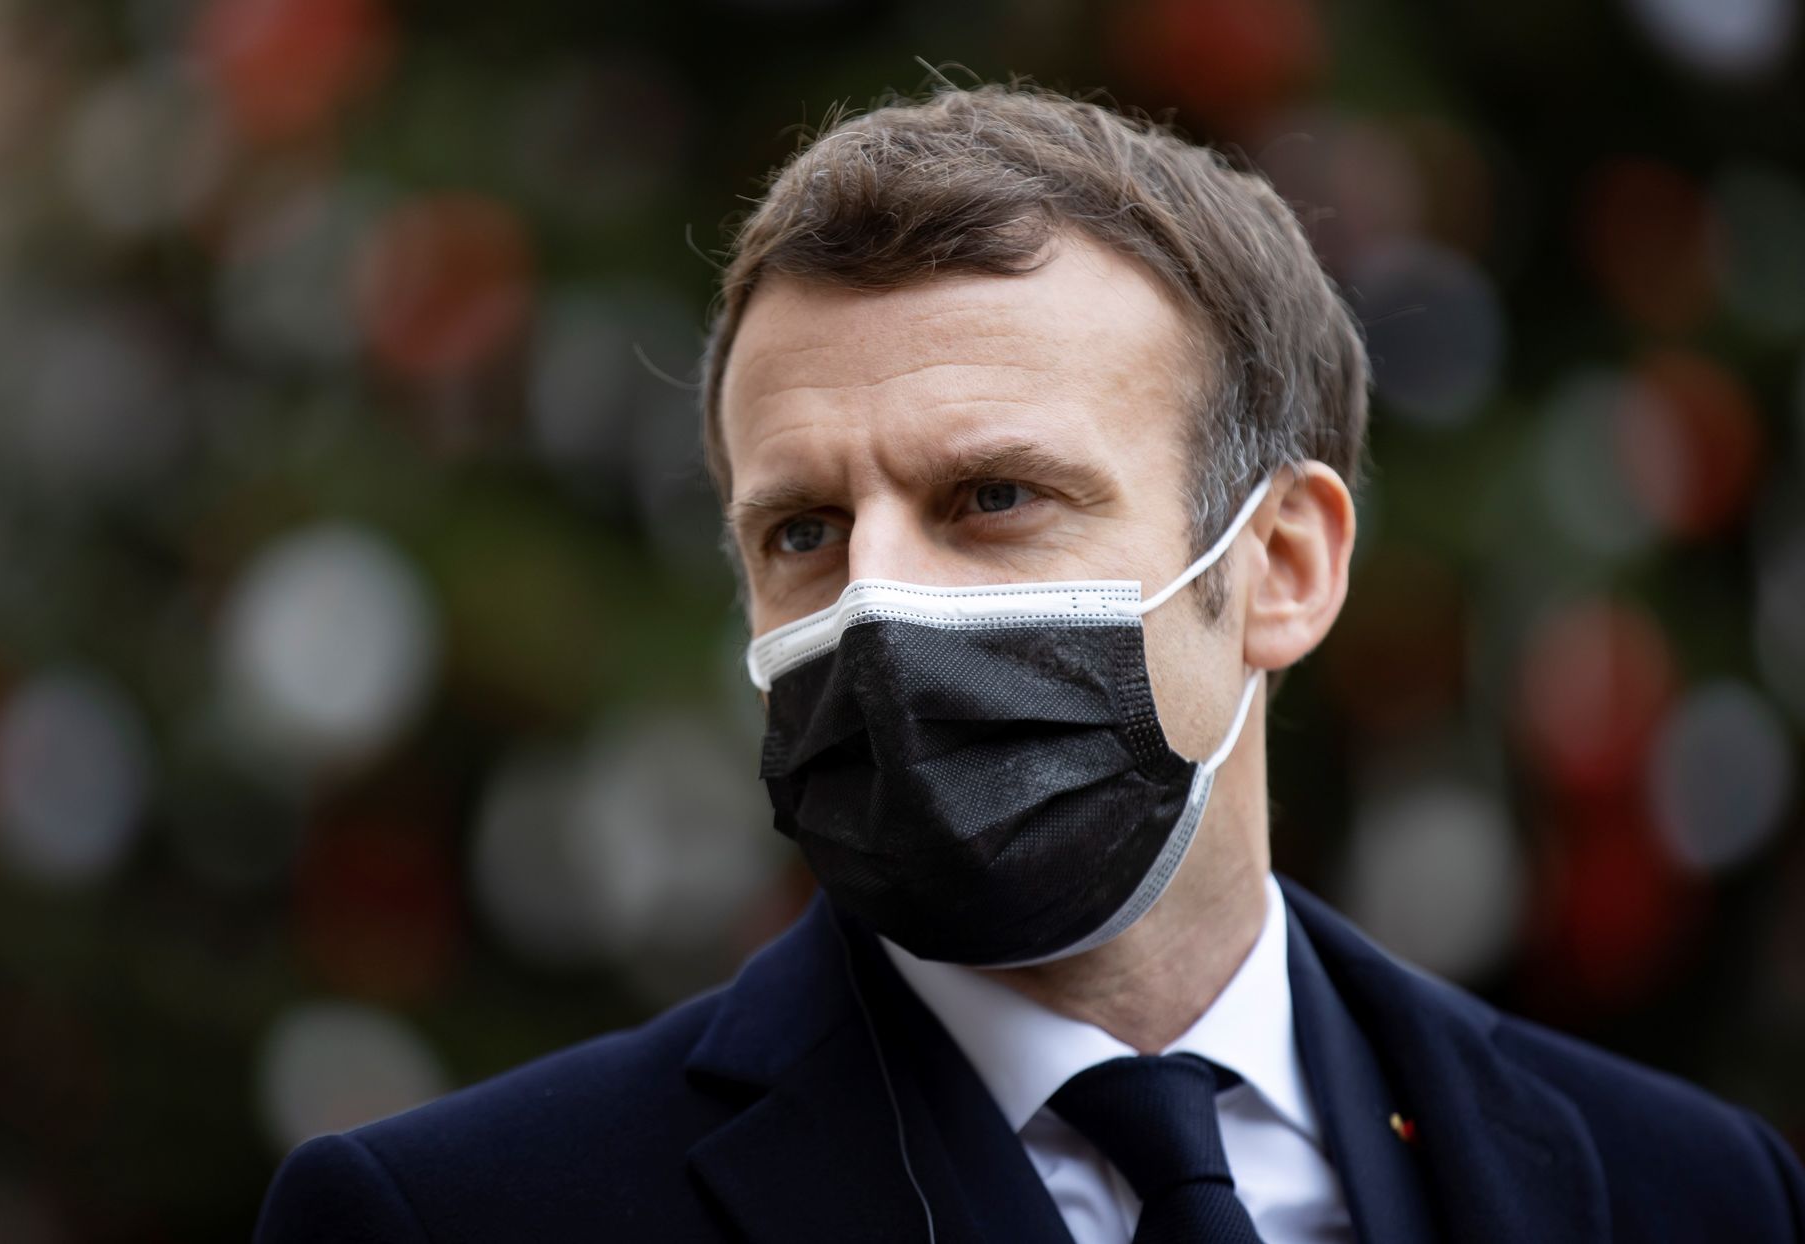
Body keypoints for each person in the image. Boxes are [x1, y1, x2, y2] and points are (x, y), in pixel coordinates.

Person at [253, 80, 1805, 1243]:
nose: (875, 601)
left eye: (992, 498)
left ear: (1282, 568)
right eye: (802, 531)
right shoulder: (461, 1218)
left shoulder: (1688, 1193)